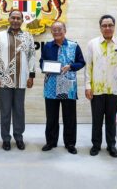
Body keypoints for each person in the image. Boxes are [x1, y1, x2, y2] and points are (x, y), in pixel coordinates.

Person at [85, 14, 117, 158]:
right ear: (100, 27)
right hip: (97, 89)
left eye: (110, 25)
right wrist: (87, 85)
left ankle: (111, 145)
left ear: (114, 26)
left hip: (115, 89)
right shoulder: (92, 43)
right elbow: (89, 66)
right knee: (97, 119)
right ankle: (96, 145)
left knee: (111, 119)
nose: (107, 28)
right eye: (104, 25)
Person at [0, 10, 36, 151]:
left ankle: (18, 137)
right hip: (4, 80)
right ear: (9, 19)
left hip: (21, 80)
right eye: (13, 17)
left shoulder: (28, 36)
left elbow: (32, 56)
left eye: (18, 18)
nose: (15, 20)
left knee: (19, 110)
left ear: (22, 20)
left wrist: (31, 76)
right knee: (5, 111)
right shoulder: (0, 36)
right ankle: (6, 138)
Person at [39, 22, 85, 153]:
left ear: (65, 30)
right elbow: (42, 61)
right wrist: (44, 67)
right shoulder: (47, 46)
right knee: (51, 117)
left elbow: (81, 62)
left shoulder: (74, 45)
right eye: (54, 30)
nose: (56, 32)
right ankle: (51, 142)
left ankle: (70, 143)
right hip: (51, 86)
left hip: (68, 86)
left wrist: (71, 67)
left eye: (59, 29)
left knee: (69, 117)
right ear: (51, 32)